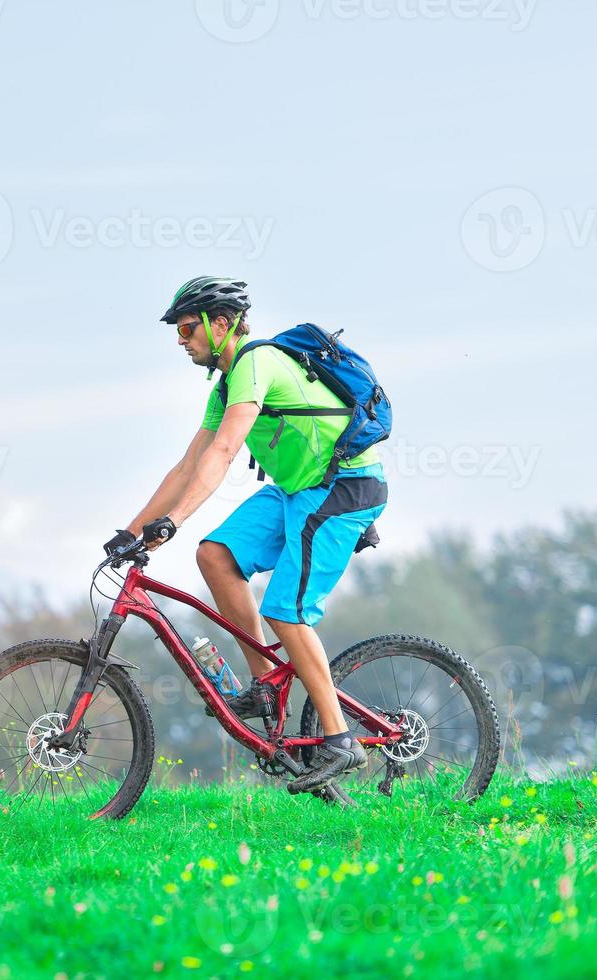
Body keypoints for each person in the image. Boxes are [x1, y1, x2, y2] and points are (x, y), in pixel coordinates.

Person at [103, 276, 388, 794]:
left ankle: (339, 739)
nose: (181, 340)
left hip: (344, 487)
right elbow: (188, 464)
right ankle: (263, 685)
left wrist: (175, 520)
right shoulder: (228, 384)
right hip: (295, 491)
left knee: (284, 610)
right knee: (215, 555)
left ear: (221, 324)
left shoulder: (257, 363)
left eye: (188, 328)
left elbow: (222, 453)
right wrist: (132, 530)